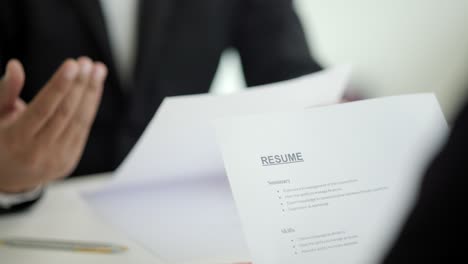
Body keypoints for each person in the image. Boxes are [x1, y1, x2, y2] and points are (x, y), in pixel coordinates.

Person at [0, 0, 321, 212]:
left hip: (187, 216)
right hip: (40, 222)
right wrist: (6, 176)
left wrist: (329, 121)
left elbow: (290, 74)